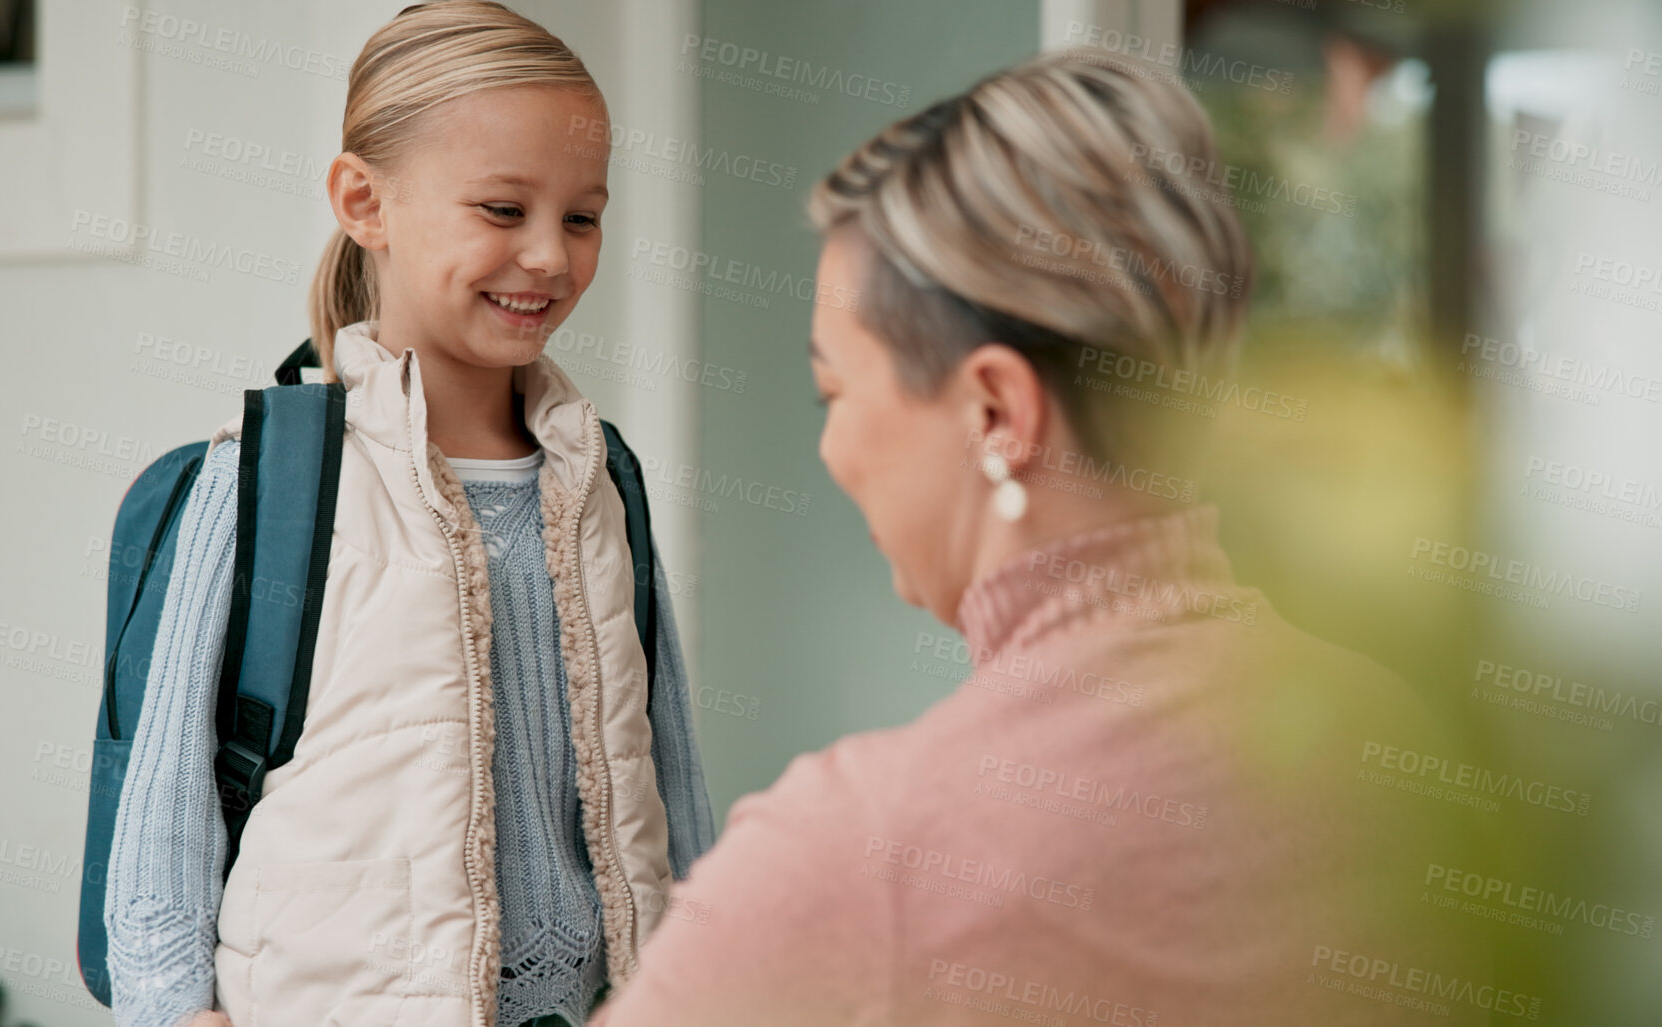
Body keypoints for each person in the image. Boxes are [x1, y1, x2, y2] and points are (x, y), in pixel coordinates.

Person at [589, 47, 1488, 1026]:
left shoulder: (855, 859)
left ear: (995, 412)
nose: (832, 448)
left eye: (834, 390)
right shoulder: (1401, 746)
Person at [104, 4, 715, 1026]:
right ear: (363, 201)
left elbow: (670, 773)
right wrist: (170, 1008)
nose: (551, 260)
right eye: (502, 209)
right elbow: (163, 800)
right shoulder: (267, 479)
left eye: (581, 216)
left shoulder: (603, 478)